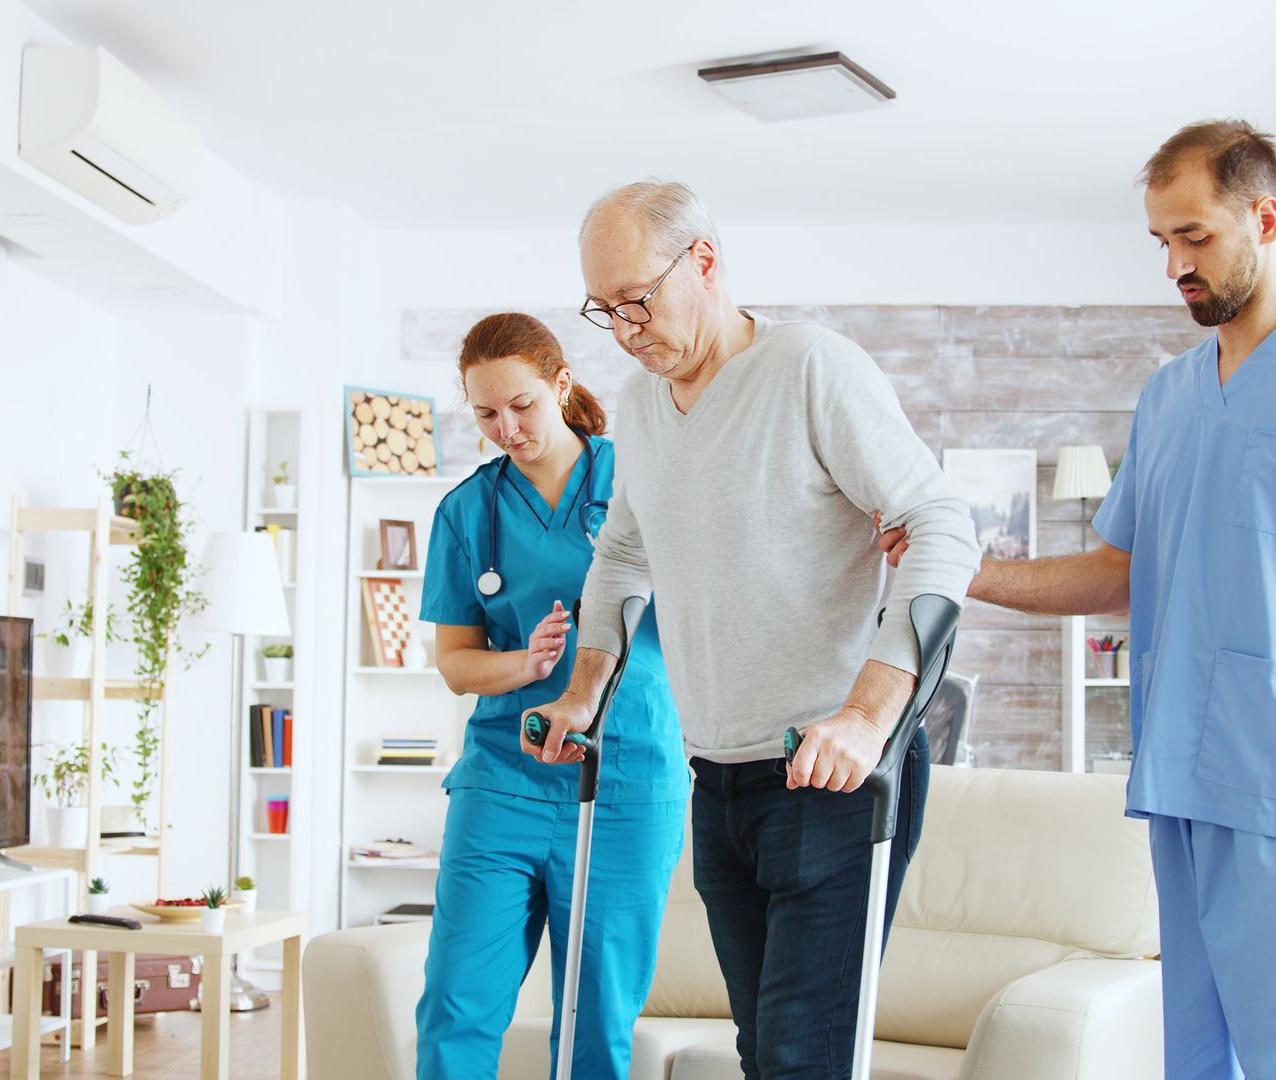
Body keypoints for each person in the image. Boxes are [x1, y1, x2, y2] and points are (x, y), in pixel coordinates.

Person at [881, 120, 1276, 1078]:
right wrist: (964, 570)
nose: (1174, 266)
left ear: (1264, 218)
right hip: (1180, 783)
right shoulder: (1170, 396)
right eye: (1161, 242)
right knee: (1196, 1061)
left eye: (1195, 238)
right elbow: (1117, 569)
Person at [527, 180, 979, 1079]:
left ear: (703, 261)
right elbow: (621, 557)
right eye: (603, 309)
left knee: (802, 1059)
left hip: (829, 773)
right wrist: (583, 695)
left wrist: (866, 716)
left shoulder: (810, 366)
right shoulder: (645, 406)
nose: (624, 329)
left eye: (638, 300)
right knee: (762, 1055)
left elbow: (940, 524)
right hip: (719, 780)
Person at [414, 312, 689, 1080]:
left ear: (561, 385)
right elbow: (457, 663)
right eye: (486, 413)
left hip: (625, 775)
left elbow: (710, 606)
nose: (507, 427)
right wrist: (526, 667)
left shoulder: (644, 474)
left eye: (522, 405)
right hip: (502, 777)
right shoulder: (468, 511)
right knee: (455, 1004)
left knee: (593, 1019)